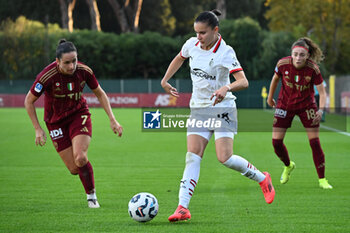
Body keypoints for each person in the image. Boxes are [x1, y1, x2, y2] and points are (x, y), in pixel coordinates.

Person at [161, 10, 275, 222]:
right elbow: (179, 58)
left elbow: (244, 81)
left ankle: (262, 178)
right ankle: (182, 207)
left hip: (223, 109)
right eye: (196, 32)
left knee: (225, 158)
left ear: (215, 30)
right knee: (192, 156)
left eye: (203, 33)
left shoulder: (226, 52)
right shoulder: (191, 44)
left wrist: (226, 88)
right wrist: (165, 80)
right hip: (199, 109)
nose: (198, 37)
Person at [24, 39, 123, 208]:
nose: (72, 66)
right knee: (74, 169)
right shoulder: (46, 77)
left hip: (79, 115)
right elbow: (28, 101)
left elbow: (100, 93)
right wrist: (37, 129)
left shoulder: (84, 71)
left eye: (74, 61)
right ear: (57, 62)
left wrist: (112, 119)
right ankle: (86, 178)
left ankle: (91, 197)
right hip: (55, 122)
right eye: (67, 63)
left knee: (80, 157)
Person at [267, 37, 332, 189]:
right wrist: (270, 98)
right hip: (284, 105)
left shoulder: (313, 69)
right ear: (291, 54)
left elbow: (322, 92)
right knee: (276, 143)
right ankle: (288, 165)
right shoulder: (282, 63)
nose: (298, 58)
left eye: (302, 55)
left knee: (314, 142)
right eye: (295, 54)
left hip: (307, 106)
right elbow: (275, 79)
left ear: (307, 56)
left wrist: (321, 110)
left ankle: (322, 180)